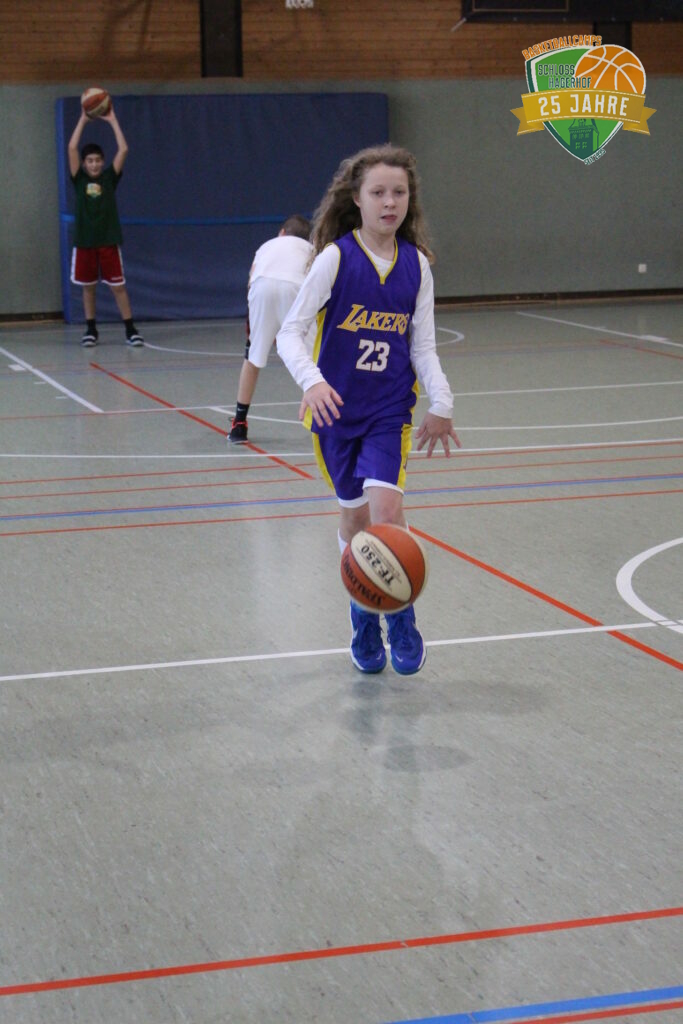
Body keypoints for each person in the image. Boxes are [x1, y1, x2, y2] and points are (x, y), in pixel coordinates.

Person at [276, 144, 461, 676]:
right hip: (335, 414)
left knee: (386, 513)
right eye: (378, 192)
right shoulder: (336, 258)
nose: (389, 202)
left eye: (398, 192)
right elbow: (291, 331)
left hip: (388, 411)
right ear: (356, 198)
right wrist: (312, 382)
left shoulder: (417, 266)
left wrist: (442, 402)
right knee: (355, 519)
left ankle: (401, 619)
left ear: (409, 200)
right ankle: (362, 614)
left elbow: (423, 347)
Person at [228, 215, 314, 443]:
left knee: (252, 356)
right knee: (315, 358)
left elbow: (251, 281)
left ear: (282, 232)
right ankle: (322, 420)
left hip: (262, 285)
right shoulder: (311, 250)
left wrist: (262, 325)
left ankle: (239, 425)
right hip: (297, 287)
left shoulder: (267, 246)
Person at [67, 103, 143, 348]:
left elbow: (124, 149)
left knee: (118, 287)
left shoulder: (109, 178)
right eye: (90, 161)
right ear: (84, 163)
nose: (94, 164)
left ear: (103, 162)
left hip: (108, 241)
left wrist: (112, 120)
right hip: (85, 242)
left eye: (98, 160)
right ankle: (91, 329)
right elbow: (71, 148)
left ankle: (130, 329)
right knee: (88, 288)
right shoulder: (79, 180)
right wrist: (83, 119)